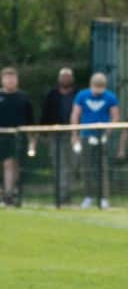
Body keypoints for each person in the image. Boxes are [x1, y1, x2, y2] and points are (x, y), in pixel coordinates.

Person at [70, 72, 119, 209]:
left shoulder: (110, 97)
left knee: (102, 167)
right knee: (87, 167)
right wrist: (75, 134)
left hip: (102, 136)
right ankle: (88, 196)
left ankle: (104, 198)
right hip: (86, 135)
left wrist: (107, 133)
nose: (98, 91)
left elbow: (115, 116)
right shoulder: (82, 96)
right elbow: (75, 114)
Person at [40, 67, 78, 204]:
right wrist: (44, 133)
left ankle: (68, 192)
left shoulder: (77, 94)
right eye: (63, 76)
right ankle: (61, 195)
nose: (66, 79)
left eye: (68, 76)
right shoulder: (52, 94)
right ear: (59, 79)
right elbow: (45, 114)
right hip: (55, 134)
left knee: (73, 164)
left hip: (74, 134)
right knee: (59, 165)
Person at [0, 67, 35, 207]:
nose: (10, 81)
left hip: (17, 137)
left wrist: (32, 140)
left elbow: (30, 120)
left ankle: (10, 194)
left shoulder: (23, 97)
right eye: (7, 78)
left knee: (12, 164)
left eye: (13, 78)